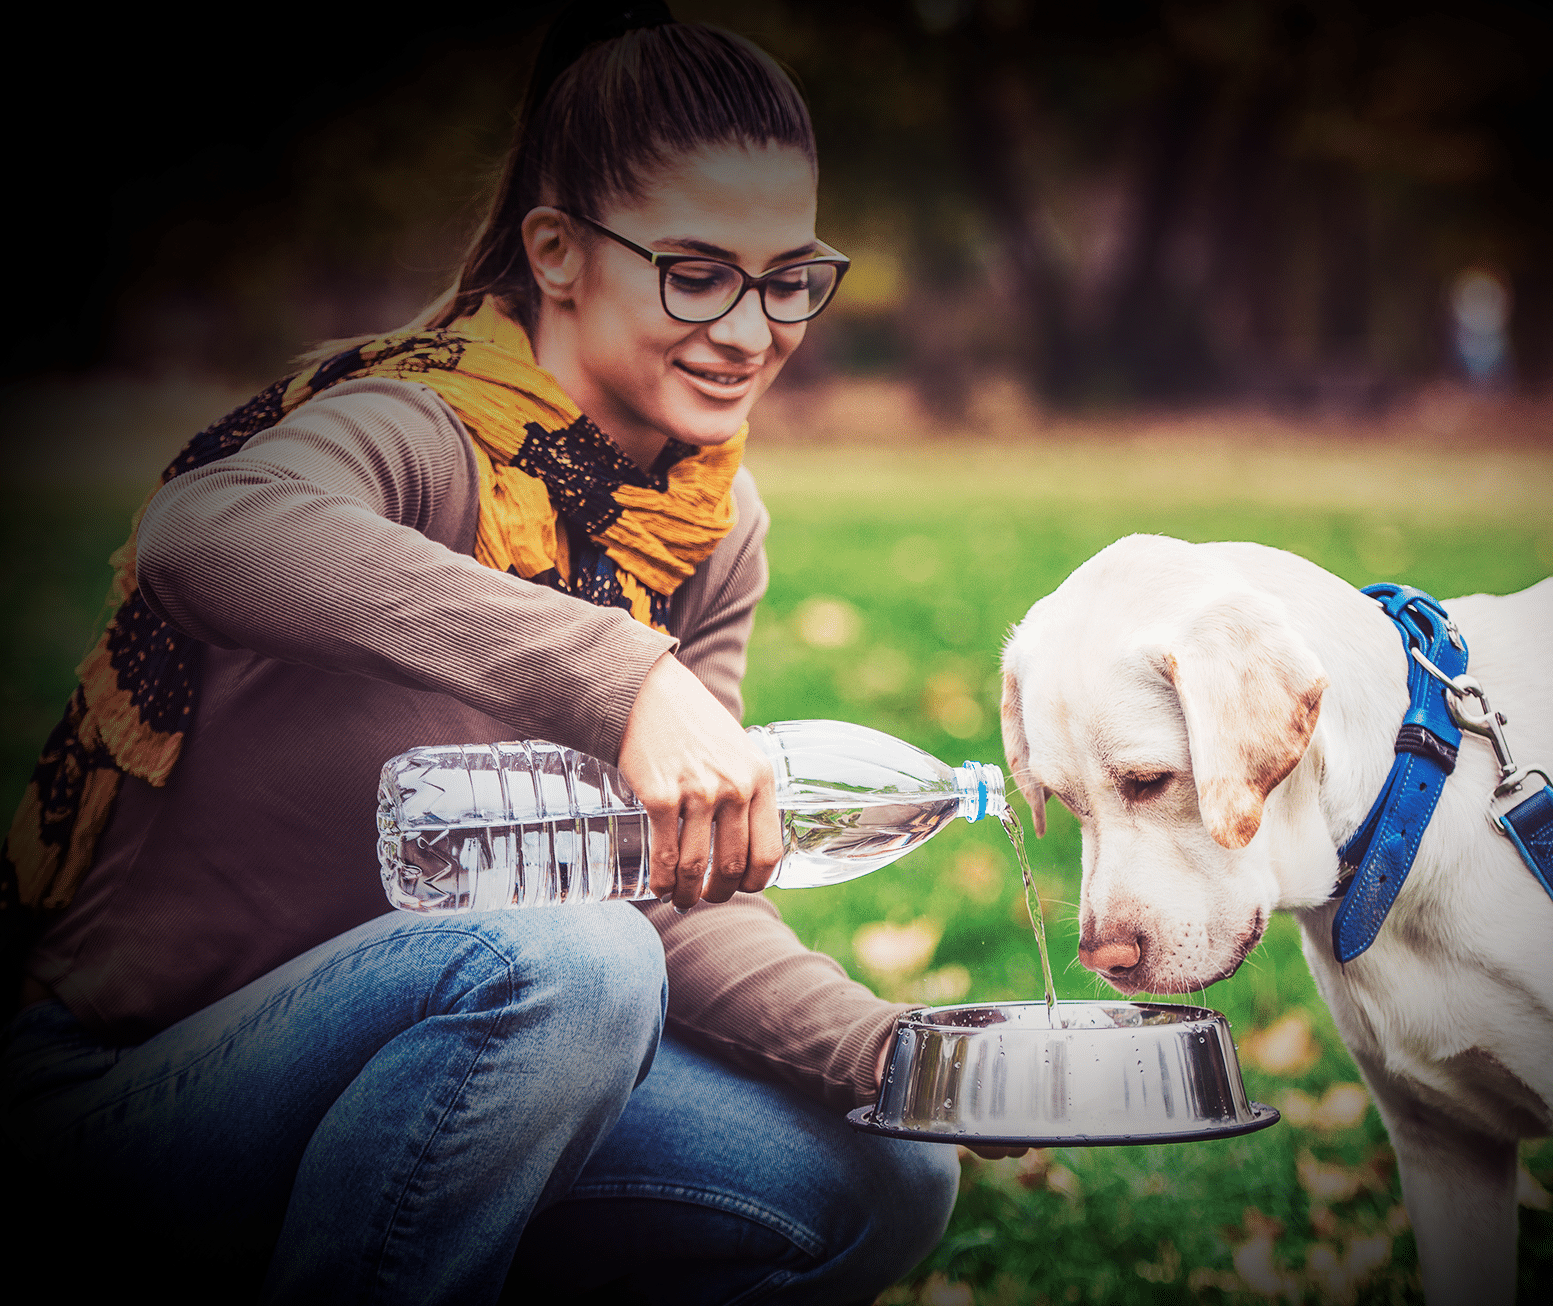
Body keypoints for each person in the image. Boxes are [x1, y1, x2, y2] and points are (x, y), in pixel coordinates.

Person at [0, 5, 964, 1302]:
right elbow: (205, 526)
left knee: (888, 1175)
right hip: (135, 1095)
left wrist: (905, 1052)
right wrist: (616, 672)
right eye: (696, 271)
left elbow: (675, 883)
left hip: (463, 1059)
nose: (750, 330)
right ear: (557, 253)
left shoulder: (709, 525)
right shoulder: (408, 426)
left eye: (788, 278)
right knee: (572, 956)